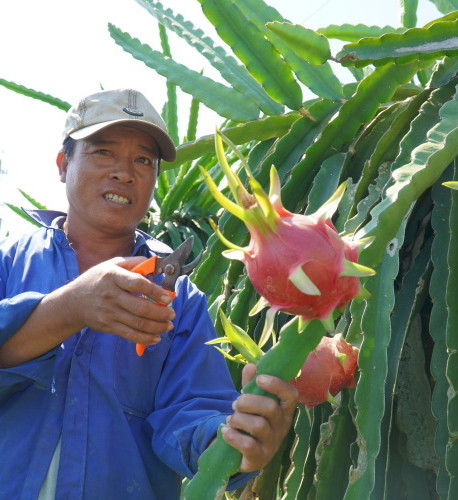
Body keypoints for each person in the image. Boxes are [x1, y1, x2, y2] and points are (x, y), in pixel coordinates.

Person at [0, 89, 298, 499]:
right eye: (103, 152)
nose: (125, 172)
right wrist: (71, 307)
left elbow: (190, 412)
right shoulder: (9, 261)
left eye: (143, 160)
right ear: (63, 164)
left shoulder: (179, 297)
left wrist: (235, 441)